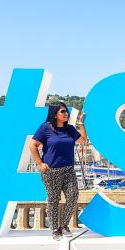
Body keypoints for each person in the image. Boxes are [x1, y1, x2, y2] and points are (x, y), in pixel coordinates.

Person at [29, 103, 86, 240]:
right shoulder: (45, 128)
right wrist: (40, 163)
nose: (66, 114)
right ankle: (55, 229)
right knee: (53, 200)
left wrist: (81, 123)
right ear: (55, 114)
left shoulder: (70, 129)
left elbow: (82, 140)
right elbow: (32, 145)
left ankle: (64, 226)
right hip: (51, 171)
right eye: (62, 112)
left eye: (66, 111)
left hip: (68, 170)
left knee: (73, 196)